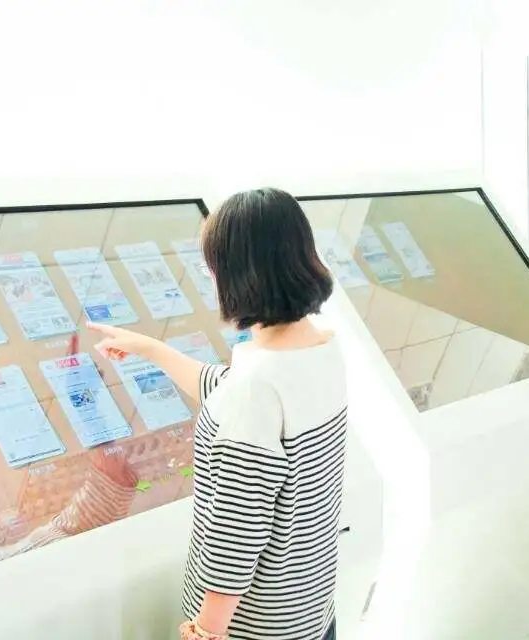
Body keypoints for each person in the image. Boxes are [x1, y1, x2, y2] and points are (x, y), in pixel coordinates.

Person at [90, 187, 346, 640]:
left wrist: (208, 629)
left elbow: (237, 530)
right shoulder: (321, 347)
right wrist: (150, 348)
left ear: (240, 276)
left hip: (252, 627)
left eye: (213, 268)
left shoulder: (254, 389)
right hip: (307, 611)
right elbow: (226, 391)